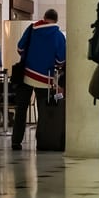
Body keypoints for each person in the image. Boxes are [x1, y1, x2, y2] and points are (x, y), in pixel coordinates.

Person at [11, 9, 66, 150]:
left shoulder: (31, 29)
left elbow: (20, 48)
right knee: (43, 110)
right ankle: (42, 140)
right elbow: (61, 60)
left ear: (44, 17)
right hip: (45, 78)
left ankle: (16, 141)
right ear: (56, 20)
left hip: (25, 75)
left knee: (21, 109)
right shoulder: (59, 35)